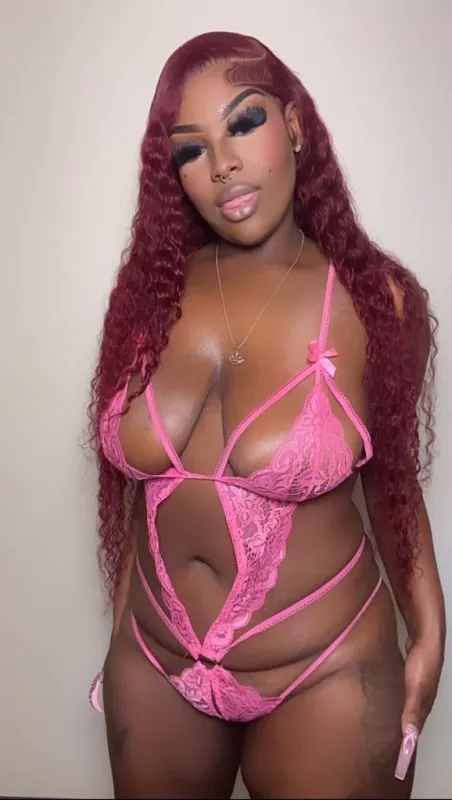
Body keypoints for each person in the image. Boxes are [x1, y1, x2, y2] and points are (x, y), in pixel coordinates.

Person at [87, 31, 445, 799]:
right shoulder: (150, 295)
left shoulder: (377, 301)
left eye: (244, 123)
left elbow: (394, 484)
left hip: (325, 668)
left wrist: (431, 633)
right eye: (192, 149)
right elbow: (137, 493)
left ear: (295, 126)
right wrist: (122, 631)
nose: (222, 164)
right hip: (155, 662)